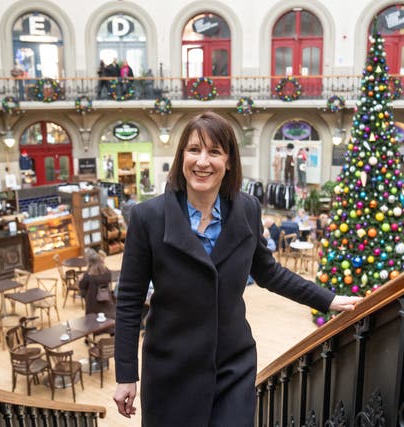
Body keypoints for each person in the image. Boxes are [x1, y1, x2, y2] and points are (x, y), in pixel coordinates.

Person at [113, 112, 361, 425]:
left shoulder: (246, 208)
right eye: (194, 150)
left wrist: (328, 299)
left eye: (214, 152)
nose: (202, 161)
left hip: (231, 368)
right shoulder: (148, 217)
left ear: (229, 161)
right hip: (171, 371)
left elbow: (269, 272)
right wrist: (125, 374)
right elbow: (130, 300)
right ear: (181, 157)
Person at [78, 249, 116, 319]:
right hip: (106, 299)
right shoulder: (106, 271)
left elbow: (82, 286)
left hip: (92, 302)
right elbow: (109, 280)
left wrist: (80, 280)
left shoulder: (88, 275)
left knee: (93, 321)